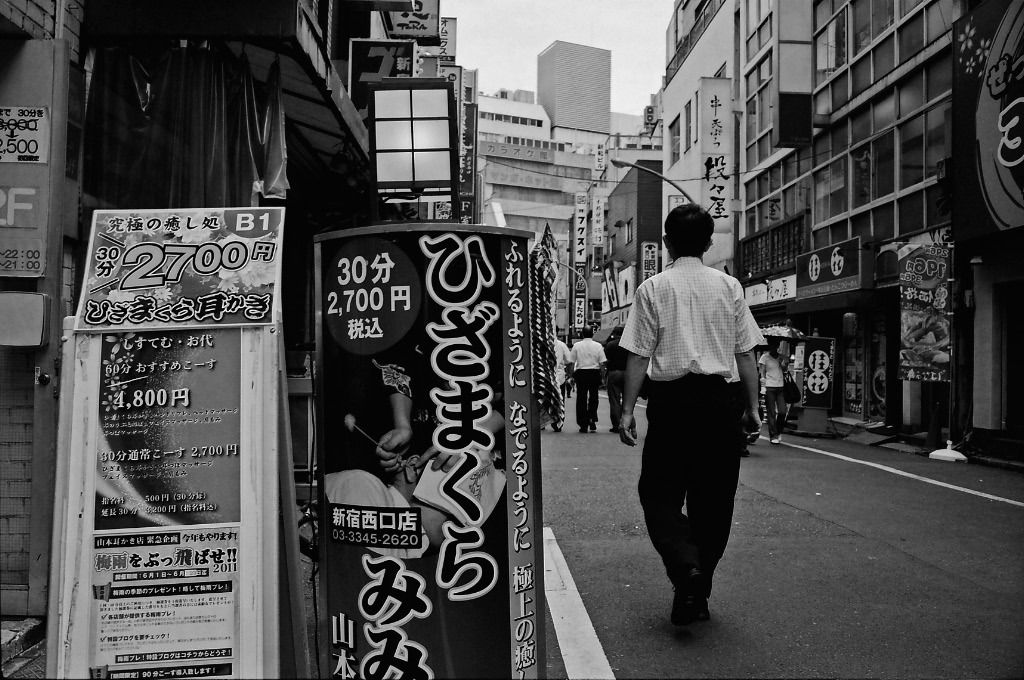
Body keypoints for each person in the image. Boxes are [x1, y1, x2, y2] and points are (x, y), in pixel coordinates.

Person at [618, 204, 763, 627]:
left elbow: (639, 355)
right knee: (714, 502)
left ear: (666, 243)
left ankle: (685, 570)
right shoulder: (729, 286)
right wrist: (753, 407)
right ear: (708, 243)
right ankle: (695, 592)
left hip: (672, 403)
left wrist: (628, 410)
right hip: (721, 402)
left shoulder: (652, 288)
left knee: (659, 493)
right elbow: (746, 352)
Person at [569, 326, 607, 433]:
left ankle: (583, 423)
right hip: (594, 373)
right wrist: (603, 377)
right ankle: (592, 418)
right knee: (594, 397)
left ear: (582, 334)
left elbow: (572, 362)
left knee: (581, 398)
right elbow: (602, 363)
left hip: (581, 373)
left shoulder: (577, 345)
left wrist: (571, 375)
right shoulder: (598, 346)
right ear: (592, 334)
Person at [758, 341, 790, 444]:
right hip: (769, 386)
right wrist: (763, 383)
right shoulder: (764, 357)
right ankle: (773, 435)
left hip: (780, 386)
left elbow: (785, 371)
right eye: (772, 345)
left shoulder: (782, 357)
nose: (774, 347)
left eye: (775, 345)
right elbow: (762, 371)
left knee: (782, 411)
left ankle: (779, 431)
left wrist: (783, 364)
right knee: (771, 412)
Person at [604, 331, 628, 432]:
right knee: (627, 400)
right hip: (628, 373)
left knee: (614, 400)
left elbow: (605, 360)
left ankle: (616, 425)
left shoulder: (610, 345)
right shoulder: (628, 344)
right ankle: (626, 423)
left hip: (614, 373)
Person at [552, 335, 572, 432]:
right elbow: (569, 360)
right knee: (559, 400)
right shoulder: (561, 345)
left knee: (545, 398)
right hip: (559, 377)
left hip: (546, 376)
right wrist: (569, 373)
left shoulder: (542, 342)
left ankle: (542, 421)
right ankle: (558, 423)